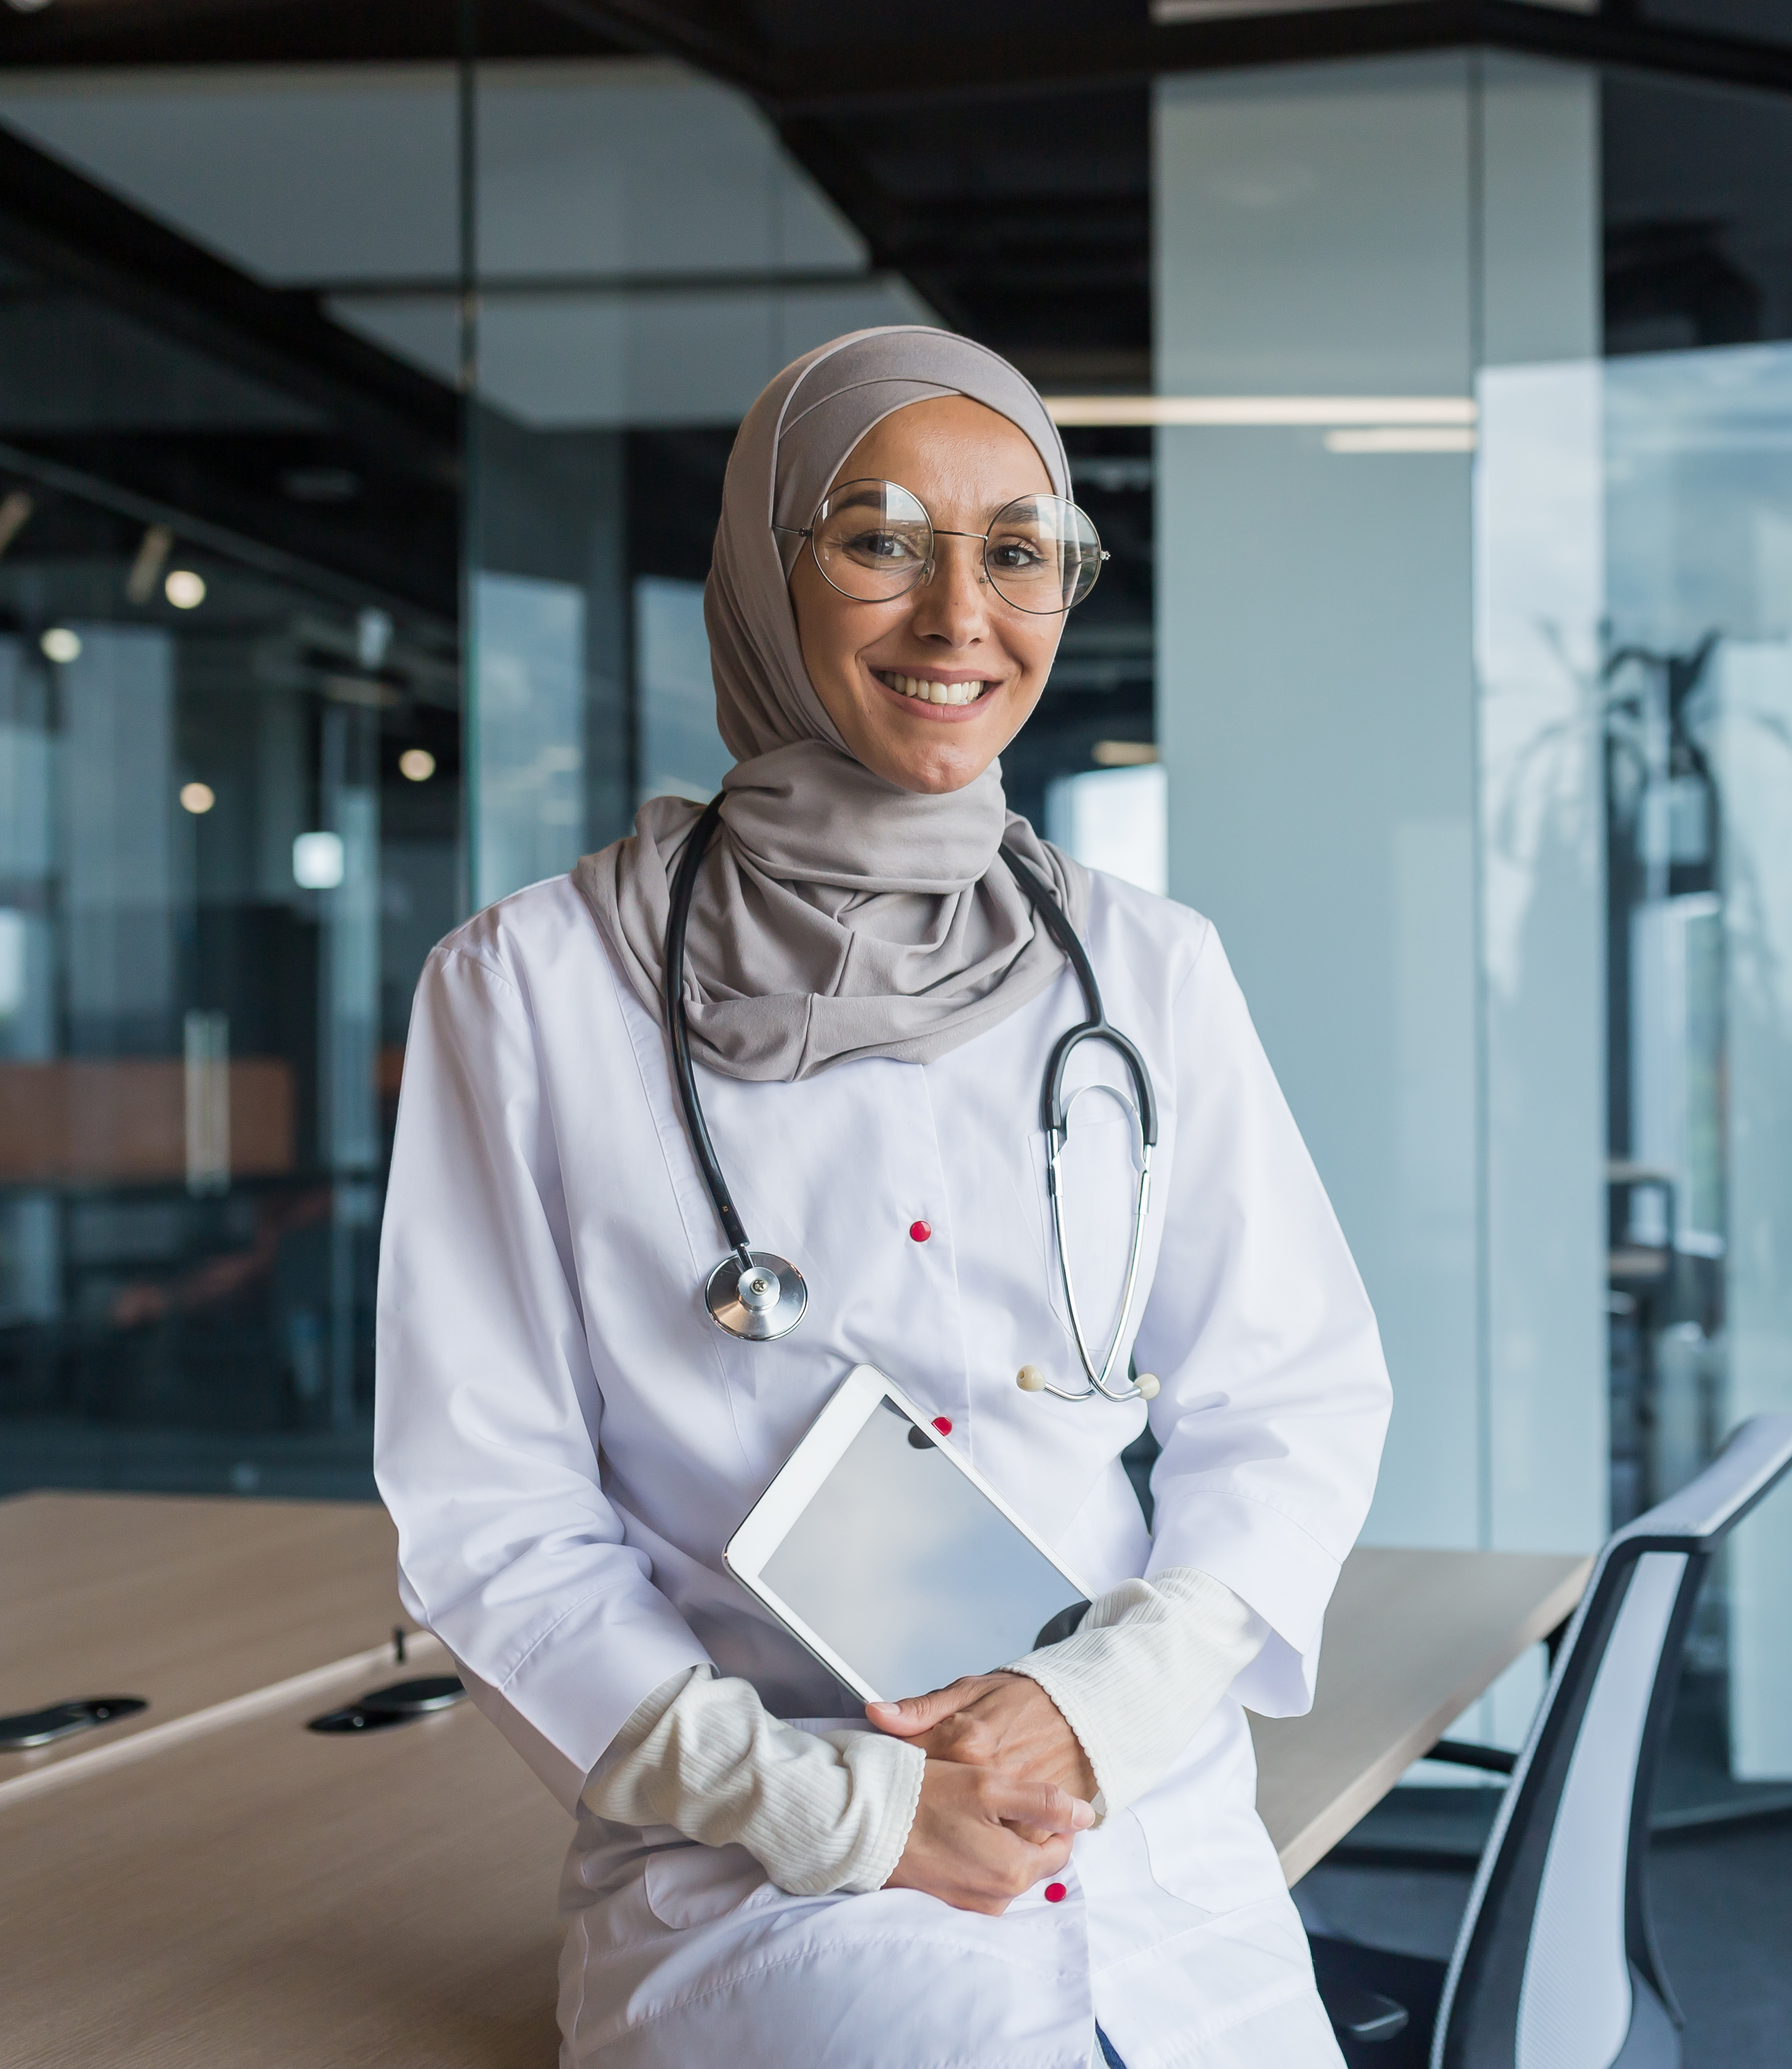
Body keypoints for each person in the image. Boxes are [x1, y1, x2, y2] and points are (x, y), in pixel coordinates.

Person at [374, 327, 1392, 2069]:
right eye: (878, 539)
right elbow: (492, 1515)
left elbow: (1287, 1398)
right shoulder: (532, 988)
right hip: (771, 1887)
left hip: (1150, 1843)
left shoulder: (1146, 969)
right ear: (768, 573)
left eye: (1016, 551)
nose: (957, 618)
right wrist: (838, 1808)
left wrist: (1102, 1702)